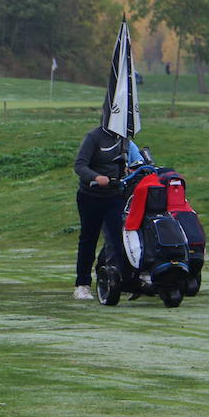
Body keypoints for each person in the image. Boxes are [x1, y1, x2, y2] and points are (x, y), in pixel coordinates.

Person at [71, 125, 132, 300]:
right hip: (90, 196)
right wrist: (96, 177)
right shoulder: (94, 137)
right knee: (89, 239)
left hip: (114, 196)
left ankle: (115, 281)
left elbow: (127, 161)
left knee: (117, 239)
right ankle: (82, 285)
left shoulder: (124, 139)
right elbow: (80, 165)